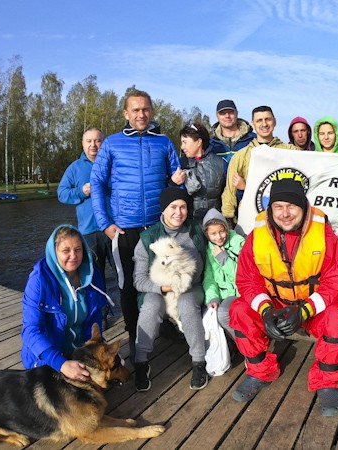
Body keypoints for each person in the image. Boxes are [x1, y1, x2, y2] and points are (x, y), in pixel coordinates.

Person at [228, 178, 338, 417]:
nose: (285, 214)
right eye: (278, 207)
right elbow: (247, 280)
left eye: (291, 206)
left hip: (312, 309)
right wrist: (265, 310)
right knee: (239, 309)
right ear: (270, 209)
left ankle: (326, 381)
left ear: (303, 207)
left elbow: (336, 281)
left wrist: (304, 311)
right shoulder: (257, 237)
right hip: (275, 306)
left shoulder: (324, 235)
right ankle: (260, 372)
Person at [90, 89, 181, 360]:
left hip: (156, 226)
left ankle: (165, 328)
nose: (141, 114)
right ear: (126, 114)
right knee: (128, 284)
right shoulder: (112, 144)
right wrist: (104, 222)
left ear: (151, 111)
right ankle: (134, 336)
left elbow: (176, 181)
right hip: (124, 228)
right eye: (135, 110)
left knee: (164, 278)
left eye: (145, 109)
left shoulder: (164, 143)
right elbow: (97, 182)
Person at [132, 187, 209, 392]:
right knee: (150, 305)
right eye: (173, 207)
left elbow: (212, 256)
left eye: (183, 207)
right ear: (163, 210)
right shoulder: (148, 239)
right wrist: (166, 287)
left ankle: (199, 362)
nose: (178, 212)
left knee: (186, 303)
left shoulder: (196, 231)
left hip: (192, 287)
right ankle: (140, 362)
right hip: (159, 289)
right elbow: (139, 281)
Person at [21, 225, 113, 382]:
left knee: (114, 375)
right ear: (54, 251)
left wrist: (96, 352)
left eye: (78, 249)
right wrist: (62, 364)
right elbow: (30, 331)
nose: (73, 256)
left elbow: (95, 319)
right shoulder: (39, 279)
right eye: (66, 251)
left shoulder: (92, 276)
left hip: (81, 352)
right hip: (48, 358)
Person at [221, 106, 297, 223]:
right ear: (253, 124)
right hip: (252, 217)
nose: (264, 124)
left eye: (268, 119)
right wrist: (228, 218)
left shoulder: (290, 151)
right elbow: (230, 191)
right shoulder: (241, 155)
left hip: (285, 217)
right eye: (259, 120)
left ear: (274, 121)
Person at [57, 127, 114, 282]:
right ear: (83, 144)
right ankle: (100, 307)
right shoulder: (75, 168)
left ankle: (127, 306)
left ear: (104, 143)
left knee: (122, 276)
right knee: (94, 279)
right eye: (89, 141)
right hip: (89, 233)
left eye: (97, 141)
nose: (93, 145)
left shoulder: (114, 164)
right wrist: (81, 192)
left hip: (114, 229)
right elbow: (61, 194)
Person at [201, 208, 244, 339]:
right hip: (222, 293)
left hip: (239, 292)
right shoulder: (209, 250)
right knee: (207, 314)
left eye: (221, 231)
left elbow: (244, 275)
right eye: (213, 234)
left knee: (223, 313)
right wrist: (212, 298)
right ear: (207, 234)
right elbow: (210, 278)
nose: (219, 237)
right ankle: (233, 345)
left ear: (226, 228)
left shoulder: (239, 243)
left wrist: (224, 259)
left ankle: (245, 346)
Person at [171, 122, 226, 223]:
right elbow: (169, 198)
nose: (182, 147)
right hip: (188, 225)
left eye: (185, 142)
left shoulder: (220, 163)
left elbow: (227, 195)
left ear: (198, 142)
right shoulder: (179, 165)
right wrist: (172, 183)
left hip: (215, 224)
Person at [210, 99, 256, 174]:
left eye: (231, 112)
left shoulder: (253, 140)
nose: (227, 116)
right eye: (222, 113)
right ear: (217, 116)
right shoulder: (210, 144)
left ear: (237, 113)